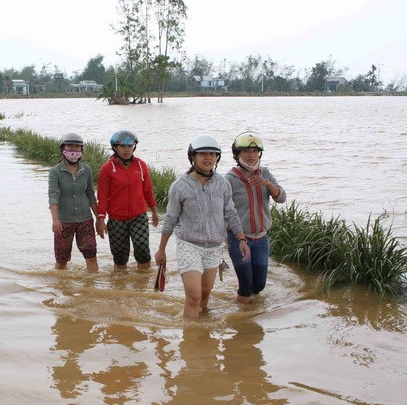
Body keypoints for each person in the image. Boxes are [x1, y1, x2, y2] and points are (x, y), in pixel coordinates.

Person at [154, 134, 251, 318]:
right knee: (193, 297)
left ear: (217, 158)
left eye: (212, 154)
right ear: (193, 157)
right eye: (203, 154)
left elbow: (231, 213)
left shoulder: (223, 184)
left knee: (205, 293)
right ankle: (190, 339)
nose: (208, 158)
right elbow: (170, 218)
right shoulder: (179, 186)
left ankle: (202, 334)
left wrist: (241, 239)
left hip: (214, 247)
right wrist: (161, 250)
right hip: (189, 246)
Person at [225, 131, 286, 304]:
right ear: (237, 155)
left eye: (254, 151)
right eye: (246, 151)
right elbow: (223, 210)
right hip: (239, 239)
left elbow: (281, 198)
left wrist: (267, 184)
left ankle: (252, 317)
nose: (251, 155)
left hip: (261, 238)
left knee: (258, 286)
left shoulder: (265, 173)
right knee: (246, 286)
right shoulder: (229, 179)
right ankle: (243, 325)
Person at [96, 130, 159, 269]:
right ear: (115, 148)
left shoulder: (141, 166)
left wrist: (154, 211)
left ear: (134, 147)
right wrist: (100, 219)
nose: (127, 149)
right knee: (120, 257)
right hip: (117, 219)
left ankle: (142, 286)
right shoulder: (107, 169)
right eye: (122, 146)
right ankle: (120, 286)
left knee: (142, 250)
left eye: (130, 146)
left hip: (139, 217)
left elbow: (148, 190)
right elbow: (102, 196)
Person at [48, 133, 99, 272]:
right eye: (70, 146)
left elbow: (90, 194)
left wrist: (99, 219)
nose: (74, 150)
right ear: (63, 148)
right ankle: (61, 290)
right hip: (63, 222)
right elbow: (53, 196)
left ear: (81, 150)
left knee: (91, 255)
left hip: (85, 220)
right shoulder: (55, 172)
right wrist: (55, 220)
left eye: (77, 147)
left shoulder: (86, 170)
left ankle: (91, 289)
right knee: (61, 260)